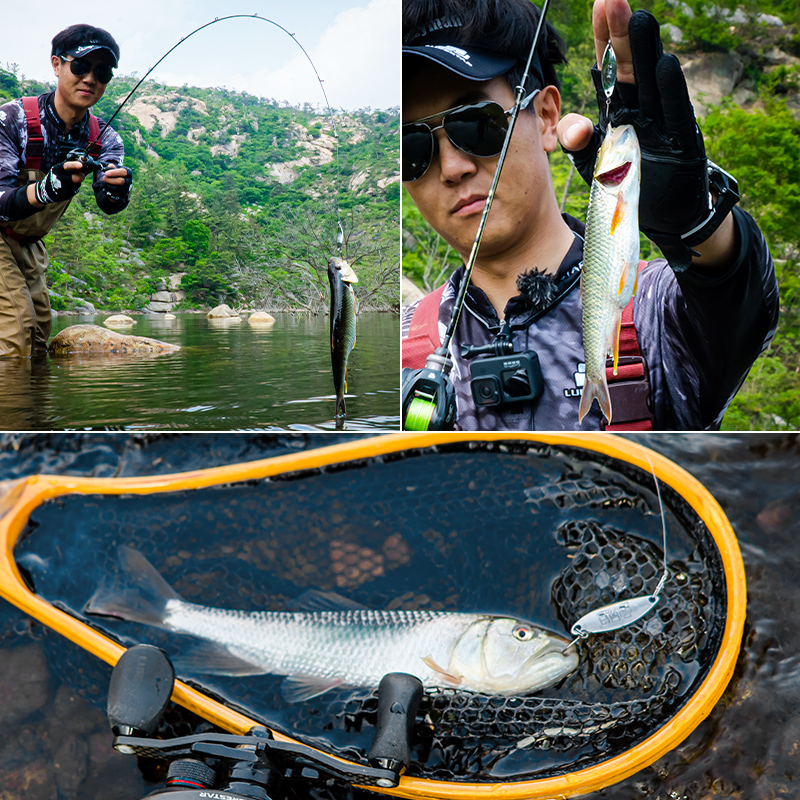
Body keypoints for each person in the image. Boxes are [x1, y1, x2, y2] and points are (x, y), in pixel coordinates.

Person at [401, 0, 779, 431]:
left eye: (476, 124)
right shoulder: (402, 347)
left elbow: (741, 300)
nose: (452, 168)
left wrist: (698, 226)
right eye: (412, 148)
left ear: (546, 116)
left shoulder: (659, 310)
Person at [0, 24, 133, 358]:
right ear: (57, 64)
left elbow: (108, 203)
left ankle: (31, 410)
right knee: (15, 330)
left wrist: (118, 191)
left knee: (40, 335)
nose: (90, 78)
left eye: (101, 72)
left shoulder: (106, 138)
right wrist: (44, 190)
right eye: (80, 66)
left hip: (28, 244)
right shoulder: (11, 119)